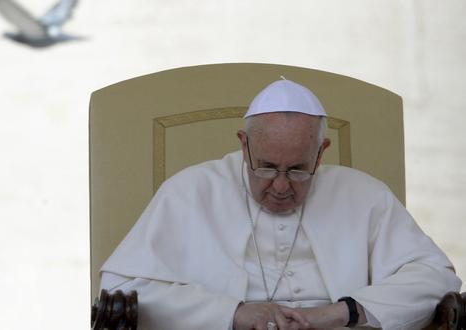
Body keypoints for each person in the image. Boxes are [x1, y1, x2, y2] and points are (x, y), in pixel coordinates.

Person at [99, 79, 461, 329]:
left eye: (300, 170)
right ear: (244, 145)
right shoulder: (190, 191)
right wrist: (233, 314)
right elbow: (121, 288)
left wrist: (344, 312)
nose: (281, 186)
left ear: (321, 153)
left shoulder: (364, 194)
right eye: (267, 167)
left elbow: (434, 276)